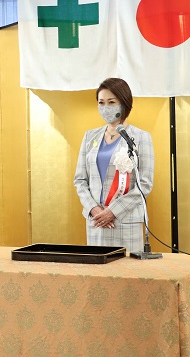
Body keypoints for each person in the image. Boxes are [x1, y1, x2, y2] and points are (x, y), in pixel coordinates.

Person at [74, 78, 154, 253]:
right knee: (98, 268)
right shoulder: (90, 137)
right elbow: (80, 180)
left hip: (125, 221)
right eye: (101, 103)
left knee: (128, 269)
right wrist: (94, 209)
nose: (105, 107)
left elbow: (145, 183)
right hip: (96, 222)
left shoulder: (141, 137)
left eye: (111, 102)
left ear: (124, 103)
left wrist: (113, 211)